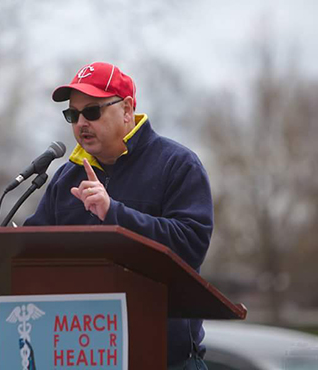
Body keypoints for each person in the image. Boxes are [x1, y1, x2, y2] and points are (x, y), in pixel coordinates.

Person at [24, 62, 213, 369]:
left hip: (164, 359)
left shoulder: (177, 165)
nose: (81, 122)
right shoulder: (64, 179)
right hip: (81, 356)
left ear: (126, 110)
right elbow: (34, 254)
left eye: (92, 111)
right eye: (73, 114)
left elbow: (191, 244)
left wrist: (114, 213)